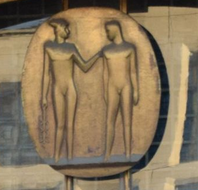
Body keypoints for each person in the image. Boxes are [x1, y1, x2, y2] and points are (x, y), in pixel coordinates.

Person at [40, 17, 99, 162]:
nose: (68, 30)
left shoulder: (71, 48)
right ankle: (57, 156)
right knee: (60, 124)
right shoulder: (48, 47)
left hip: (70, 87)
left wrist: (97, 55)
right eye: (66, 28)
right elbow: (46, 74)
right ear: (58, 30)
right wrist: (43, 95)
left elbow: (84, 67)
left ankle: (71, 157)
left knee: (70, 124)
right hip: (57, 88)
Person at [100, 20, 139, 161]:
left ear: (115, 30)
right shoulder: (106, 50)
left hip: (126, 85)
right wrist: (104, 90)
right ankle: (107, 154)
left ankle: (128, 153)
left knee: (127, 120)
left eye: (108, 31)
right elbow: (104, 73)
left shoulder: (129, 48)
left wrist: (136, 90)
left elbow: (133, 71)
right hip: (112, 86)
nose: (107, 34)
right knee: (110, 120)